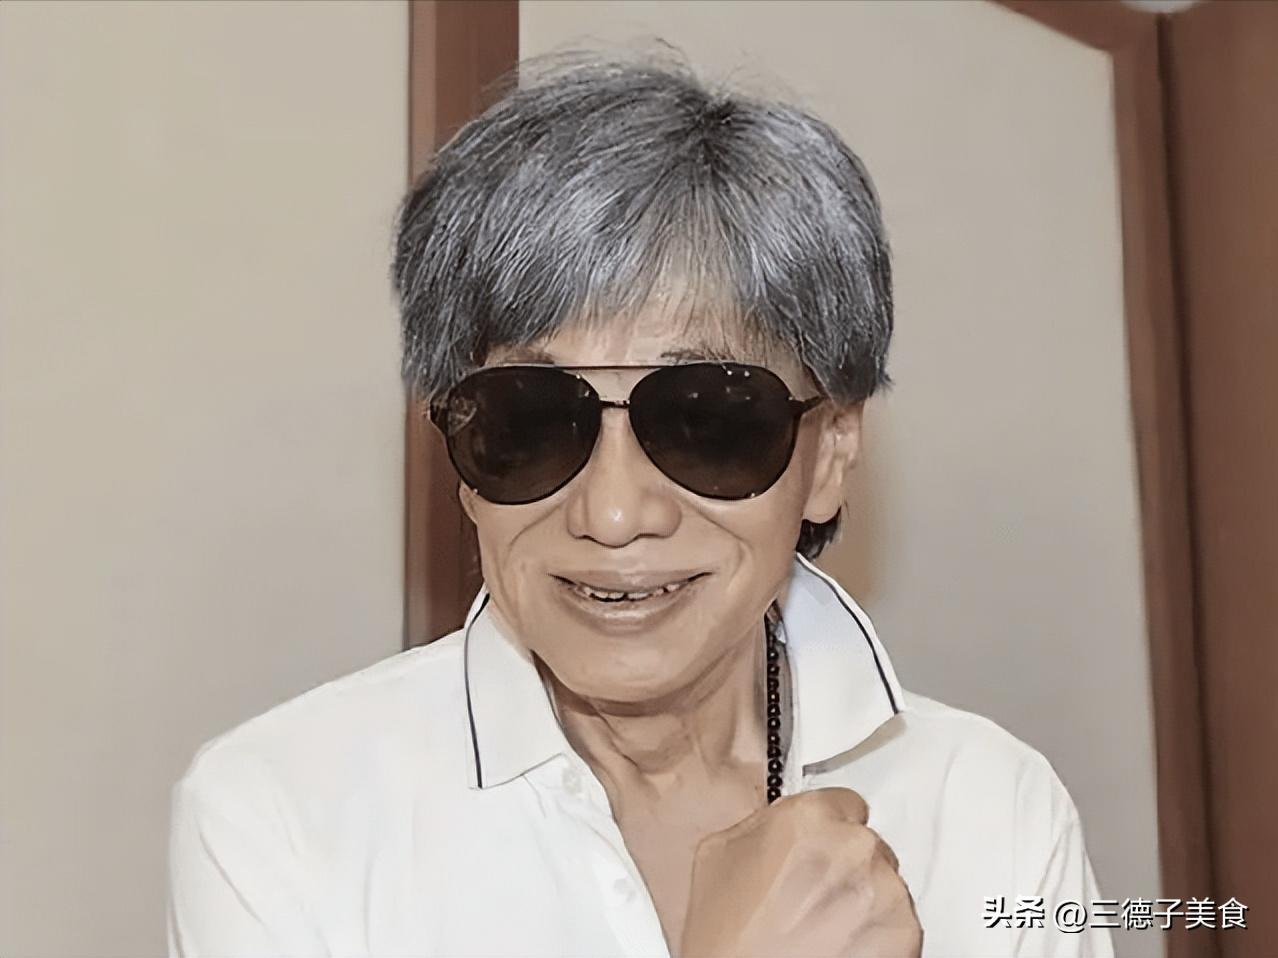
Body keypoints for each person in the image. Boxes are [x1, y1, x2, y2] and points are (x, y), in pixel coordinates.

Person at [168, 53, 1112, 957]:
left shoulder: (987, 810)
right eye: (532, 419)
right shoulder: (281, 814)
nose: (614, 514)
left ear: (829, 452)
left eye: (707, 418)